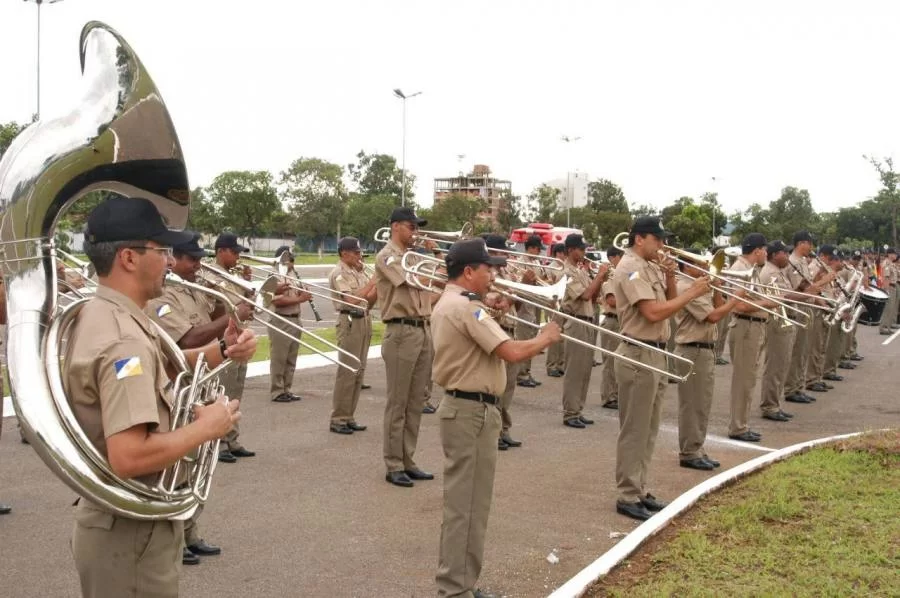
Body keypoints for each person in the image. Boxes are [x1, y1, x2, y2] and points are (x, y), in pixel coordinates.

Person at [64, 197, 256, 598]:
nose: (169, 261)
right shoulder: (124, 339)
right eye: (161, 250)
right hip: (131, 532)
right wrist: (208, 428)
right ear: (129, 258)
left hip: (120, 524)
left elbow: (164, 364)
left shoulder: (112, 313)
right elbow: (129, 456)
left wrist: (222, 349)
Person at [432, 238, 560, 598]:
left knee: (470, 505)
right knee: (467, 506)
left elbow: (482, 346)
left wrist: (496, 312)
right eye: (488, 269)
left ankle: (462, 583)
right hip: (471, 412)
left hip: (468, 410)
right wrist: (546, 337)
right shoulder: (466, 308)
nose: (493, 275)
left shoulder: (460, 304)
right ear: (468, 271)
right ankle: (455, 588)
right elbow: (511, 351)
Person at [146, 232, 253, 565]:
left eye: (200, 259)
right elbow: (188, 338)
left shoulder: (194, 288)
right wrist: (231, 314)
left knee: (198, 465)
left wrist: (225, 294)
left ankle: (190, 532)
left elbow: (217, 317)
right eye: (192, 259)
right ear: (173, 259)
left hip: (202, 384)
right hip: (179, 389)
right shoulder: (163, 295)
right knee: (177, 468)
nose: (198, 265)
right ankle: (173, 539)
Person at [612, 216, 710, 521]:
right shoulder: (630, 268)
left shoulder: (649, 266)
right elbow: (653, 313)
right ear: (640, 239)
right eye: (658, 239)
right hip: (638, 352)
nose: (663, 245)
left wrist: (669, 277)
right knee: (635, 429)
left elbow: (670, 302)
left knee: (649, 428)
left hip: (654, 352)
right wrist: (692, 292)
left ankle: (640, 488)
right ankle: (627, 494)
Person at [374, 206, 439, 488]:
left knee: (415, 403)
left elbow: (433, 285)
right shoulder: (387, 256)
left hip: (422, 328)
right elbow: (412, 279)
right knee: (398, 403)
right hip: (401, 331)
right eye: (412, 227)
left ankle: (408, 459)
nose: (416, 232)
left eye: (417, 227)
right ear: (396, 227)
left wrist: (436, 257)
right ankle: (393, 464)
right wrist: (434, 260)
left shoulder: (413, 257)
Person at [673, 248, 742, 470]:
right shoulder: (686, 286)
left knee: (702, 404)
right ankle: (689, 451)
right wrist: (736, 299)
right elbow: (713, 316)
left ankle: (697, 447)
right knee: (692, 404)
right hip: (692, 349)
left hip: (703, 349)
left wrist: (717, 290)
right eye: (699, 264)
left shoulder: (699, 286)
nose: (705, 267)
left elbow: (717, 309)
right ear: (686, 266)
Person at [209, 232, 257, 462]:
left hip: (240, 336)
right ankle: (219, 443)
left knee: (236, 390)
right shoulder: (210, 275)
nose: (238, 257)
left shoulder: (234, 275)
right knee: (223, 391)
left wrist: (247, 285)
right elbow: (216, 308)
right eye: (234, 252)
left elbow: (246, 304)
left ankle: (232, 438)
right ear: (221, 251)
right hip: (224, 339)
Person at [726, 233, 778, 443]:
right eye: (765, 250)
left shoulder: (751, 269)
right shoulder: (740, 270)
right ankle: (738, 427)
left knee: (748, 380)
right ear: (757, 251)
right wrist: (767, 303)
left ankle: (742, 424)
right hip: (745, 327)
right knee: (743, 380)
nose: (767, 253)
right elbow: (738, 305)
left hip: (754, 327)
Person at [482, 234, 528, 450]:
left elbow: (516, 306)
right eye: (502, 251)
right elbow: (490, 305)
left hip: (511, 330)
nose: (506, 255)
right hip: (497, 331)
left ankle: (504, 429)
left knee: (509, 385)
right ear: (491, 252)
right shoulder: (487, 274)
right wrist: (508, 298)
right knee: (496, 386)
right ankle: (494, 431)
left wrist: (522, 290)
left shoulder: (508, 273)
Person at [328, 237, 377, 434]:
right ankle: (338, 418)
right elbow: (350, 300)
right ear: (344, 253)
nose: (360, 256)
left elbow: (368, 301)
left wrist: (377, 288)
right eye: (356, 253)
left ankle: (349, 416)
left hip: (363, 319)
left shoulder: (359, 272)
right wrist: (372, 283)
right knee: (347, 372)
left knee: (358, 371)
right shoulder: (339, 273)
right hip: (349, 322)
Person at [561, 234, 608, 428]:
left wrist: (601, 280)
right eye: (581, 249)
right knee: (575, 371)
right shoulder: (566, 272)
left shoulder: (580, 271)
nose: (584, 253)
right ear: (570, 250)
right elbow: (585, 294)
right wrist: (599, 275)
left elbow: (593, 297)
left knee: (585, 370)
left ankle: (578, 409)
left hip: (587, 320)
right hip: (576, 321)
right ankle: (570, 412)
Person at [784, 232, 834, 405]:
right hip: (800, 307)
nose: (811, 247)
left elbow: (809, 284)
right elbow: (802, 289)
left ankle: (799, 386)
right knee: (798, 351)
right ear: (801, 243)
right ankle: (792, 388)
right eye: (809, 243)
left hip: (808, 306)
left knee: (804, 350)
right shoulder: (794, 262)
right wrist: (823, 281)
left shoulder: (803, 262)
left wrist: (819, 278)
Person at [757, 241, 799, 423]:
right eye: (784, 253)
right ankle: (769, 405)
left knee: (782, 365)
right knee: (775, 365)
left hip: (784, 320)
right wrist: (809, 293)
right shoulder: (770, 272)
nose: (788, 257)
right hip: (777, 321)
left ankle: (775, 403)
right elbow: (785, 296)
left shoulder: (778, 271)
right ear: (774, 255)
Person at [267, 246, 312, 403]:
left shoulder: (293, 274)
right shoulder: (274, 276)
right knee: (279, 358)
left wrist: (303, 293)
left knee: (291, 358)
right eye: (290, 259)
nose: (293, 262)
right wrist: (301, 298)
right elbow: (276, 301)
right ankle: (277, 391)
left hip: (295, 318)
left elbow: (297, 295)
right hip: (281, 319)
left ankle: (287, 388)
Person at [514, 234, 545, 388]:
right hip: (523, 309)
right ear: (531, 248)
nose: (539, 252)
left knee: (531, 342)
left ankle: (527, 371)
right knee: (523, 341)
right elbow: (519, 285)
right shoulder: (520, 263)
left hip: (533, 308)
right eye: (538, 249)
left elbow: (541, 280)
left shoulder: (537, 263)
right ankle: (521, 374)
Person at [600, 246, 624, 409]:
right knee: (610, 362)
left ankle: (616, 394)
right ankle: (609, 396)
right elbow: (611, 301)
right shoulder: (609, 277)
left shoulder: (625, 274)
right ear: (612, 258)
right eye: (621, 257)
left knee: (619, 361)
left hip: (621, 321)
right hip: (612, 321)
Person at [545, 243, 568, 377]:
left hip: (565, 303)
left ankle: (560, 364)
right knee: (555, 335)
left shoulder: (566, 267)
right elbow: (549, 284)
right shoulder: (550, 268)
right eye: (563, 253)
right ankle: (551, 365)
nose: (564, 256)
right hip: (554, 303)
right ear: (557, 253)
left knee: (563, 336)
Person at [878, 248, 898, 335]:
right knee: (887, 308)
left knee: (891, 308)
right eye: (894, 254)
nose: (895, 255)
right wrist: (886, 291)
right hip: (889, 287)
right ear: (889, 254)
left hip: (893, 287)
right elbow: (886, 278)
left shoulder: (891, 264)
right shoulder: (886, 264)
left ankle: (888, 327)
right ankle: (883, 328)